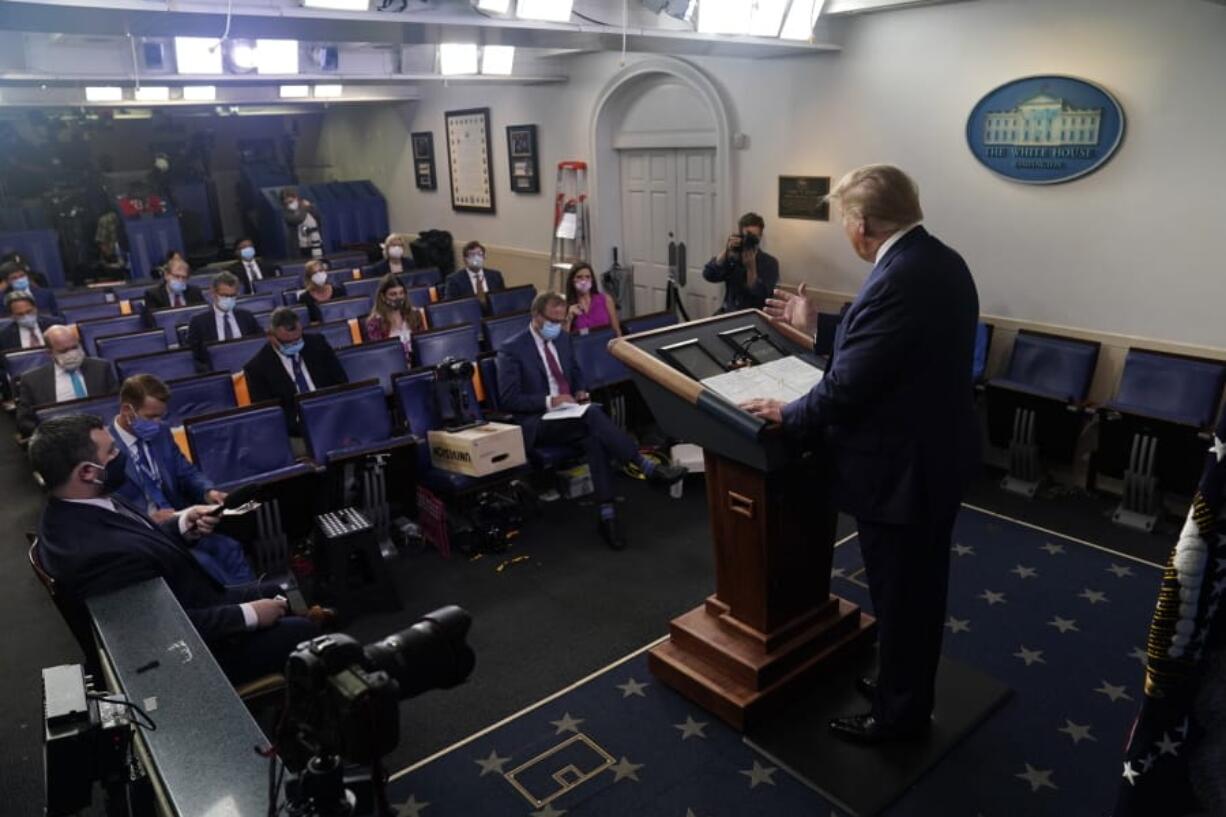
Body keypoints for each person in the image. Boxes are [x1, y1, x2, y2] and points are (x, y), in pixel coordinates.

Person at [743, 164, 980, 745]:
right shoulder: (938, 260)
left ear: (864, 223)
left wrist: (788, 413)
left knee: (903, 598)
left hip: (902, 472)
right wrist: (818, 327)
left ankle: (899, 718)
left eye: (846, 218)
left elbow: (850, 388)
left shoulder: (896, 278)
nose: (846, 229)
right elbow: (889, 348)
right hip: (934, 457)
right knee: (916, 593)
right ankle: (903, 686)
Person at [30, 414, 317, 685]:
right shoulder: (94, 554)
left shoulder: (80, 504)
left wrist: (181, 524)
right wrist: (249, 615)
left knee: (284, 591)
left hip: (190, 599)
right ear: (87, 472)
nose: (122, 456)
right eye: (112, 452)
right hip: (183, 657)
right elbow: (162, 632)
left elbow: (136, 542)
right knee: (306, 635)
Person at [496, 292, 686, 550]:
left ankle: (607, 516)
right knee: (594, 415)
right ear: (536, 316)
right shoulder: (512, 349)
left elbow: (575, 373)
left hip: (571, 416)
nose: (557, 325)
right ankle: (646, 466)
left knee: (594, 436)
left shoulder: (562, 338)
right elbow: (509, 400)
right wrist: (550, 401)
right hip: (538, 422)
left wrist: (581, 390)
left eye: (561, 320)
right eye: (552, 319)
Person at [107, 375, 255, 585]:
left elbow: (185, 471)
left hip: (183, 521)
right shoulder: (106, 449)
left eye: (161, 416)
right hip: (148, 534)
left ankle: (256, 604)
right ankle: (236, 611)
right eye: (150, 417)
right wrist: (147, 519)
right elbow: (110, 508)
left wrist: (207, 492)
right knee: (203, 565)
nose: (157, 424)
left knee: (230, 548)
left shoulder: (162, 433)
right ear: (126, 411)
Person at [243, 307, 348, 433]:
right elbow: (270, 417)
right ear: (271, 336)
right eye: (287, 342)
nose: (294, 345)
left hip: (334, 415)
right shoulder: (257, 369)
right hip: (296, 431)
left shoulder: (317, 344)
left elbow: (342, 383)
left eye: (298, 339)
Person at [16, 325, 117, 437]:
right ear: (50, 353)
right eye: (63, 351)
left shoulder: (101, 368)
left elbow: (116, 404)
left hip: (103, 432)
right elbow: (24, 422)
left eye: (75, 347)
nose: (72, 354)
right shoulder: (32, 380)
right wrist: (50, 436)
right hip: (60, 440)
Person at [702, 212, 780, 313]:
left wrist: (751, 268)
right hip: (730, 313)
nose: (749, 240)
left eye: (753, 237)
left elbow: (762, 295)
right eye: (746, 236)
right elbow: (709, 275)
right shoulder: (734, 258)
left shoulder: (770, 263)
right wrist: (726, 251)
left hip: (754, 315)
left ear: (760, 236)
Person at [185, 271, 262, 372]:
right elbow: (192, 357)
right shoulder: (198, 322)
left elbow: (260, 345)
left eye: (232, 296)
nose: (229, 299)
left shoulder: (247, 317)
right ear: (213, 293)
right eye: (225, 296)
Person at [364, 273, 424, 365]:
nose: (398, 298)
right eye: (393, 294)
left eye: (401, 293)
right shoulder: (375, 323)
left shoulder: (415, 314)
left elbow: (421, 344)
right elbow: (380, 355)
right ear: (383, 297)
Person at [564, 262, 622, 336]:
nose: (583, 281)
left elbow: (617, 331)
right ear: (572, 281)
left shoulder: (606, 300)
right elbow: (563, 340)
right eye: (579, 277)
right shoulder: (567, 306)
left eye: (587, 277)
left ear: (592, 280)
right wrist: (569, 318)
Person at [443, 240, 504, 306]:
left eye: (479, 254)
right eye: (472, 255)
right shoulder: (454, 280)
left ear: (484, 257)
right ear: (465, 259)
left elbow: (502, 299)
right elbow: (450, 305)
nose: (476, 258)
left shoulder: (495, 276)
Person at [298, 259, 348, 324]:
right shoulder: (304, 298)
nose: (319, 275)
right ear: (309, 277)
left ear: (325, 272)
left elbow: (346, 313)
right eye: (314, 273)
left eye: (320, 271)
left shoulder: (338, 291)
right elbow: (305, 322)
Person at [281, 187, 324, 259]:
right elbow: (298, 219)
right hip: (300, 246)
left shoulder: (306, 207)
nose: (290, 204)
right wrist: (304, 207)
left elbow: (318, 218)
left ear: (296, 198)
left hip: (315, 241)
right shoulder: (286, 213)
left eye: (291, 201)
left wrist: (310, 207)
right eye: (287, 203)